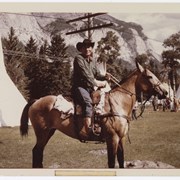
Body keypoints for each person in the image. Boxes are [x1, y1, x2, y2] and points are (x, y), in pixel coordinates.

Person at [71, 39, 110, 140]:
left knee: (101, 103)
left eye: (89, 47)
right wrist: (96, 82)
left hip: (89, 88)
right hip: (79, 87)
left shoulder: (92, 61)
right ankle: (88, 131)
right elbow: (86, 74)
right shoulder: (78, 58)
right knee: (88, 103)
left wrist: (105, 77)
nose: (88, 49)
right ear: (81, 49)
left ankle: (98, 126)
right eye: (85, 47)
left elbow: (97, 74)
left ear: (92, 49)